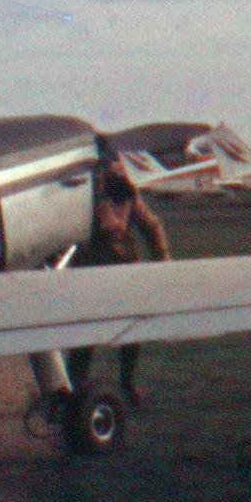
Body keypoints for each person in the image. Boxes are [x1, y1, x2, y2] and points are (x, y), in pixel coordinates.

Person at [66, 156, 170, 405]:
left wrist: (162, 260)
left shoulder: (129, 197)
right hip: (91, 273)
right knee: (85, 335)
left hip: (124, 273)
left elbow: (152, 226)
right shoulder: (85, 197)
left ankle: (127, 381)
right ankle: (71, 388)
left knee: (131, 333)